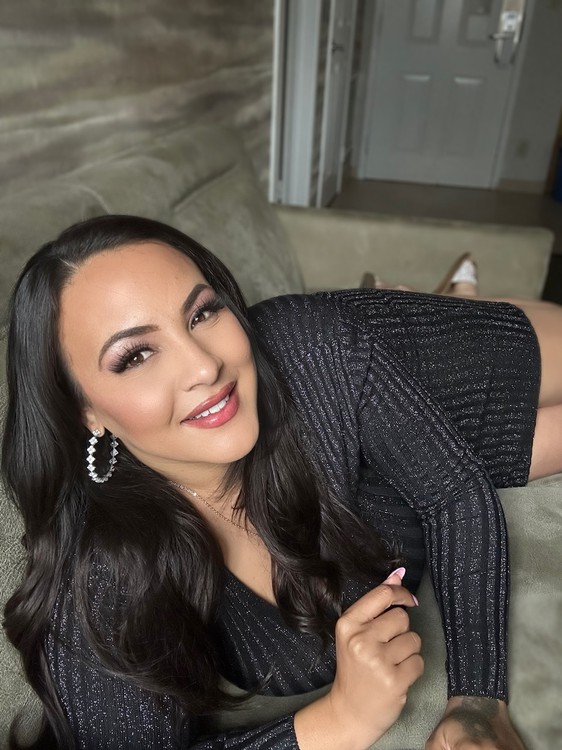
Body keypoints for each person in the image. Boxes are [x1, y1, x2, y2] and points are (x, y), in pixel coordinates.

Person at [2, 215, 561, 750]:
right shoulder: (102, 575)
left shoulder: (310, 348)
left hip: (387, 355)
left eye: (202, 313)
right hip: (380, 427)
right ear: (82, 410)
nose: (204, 366)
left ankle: (447, 302)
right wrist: (337, 722)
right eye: (137, 355)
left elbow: (454, 492)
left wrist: (478, 702)